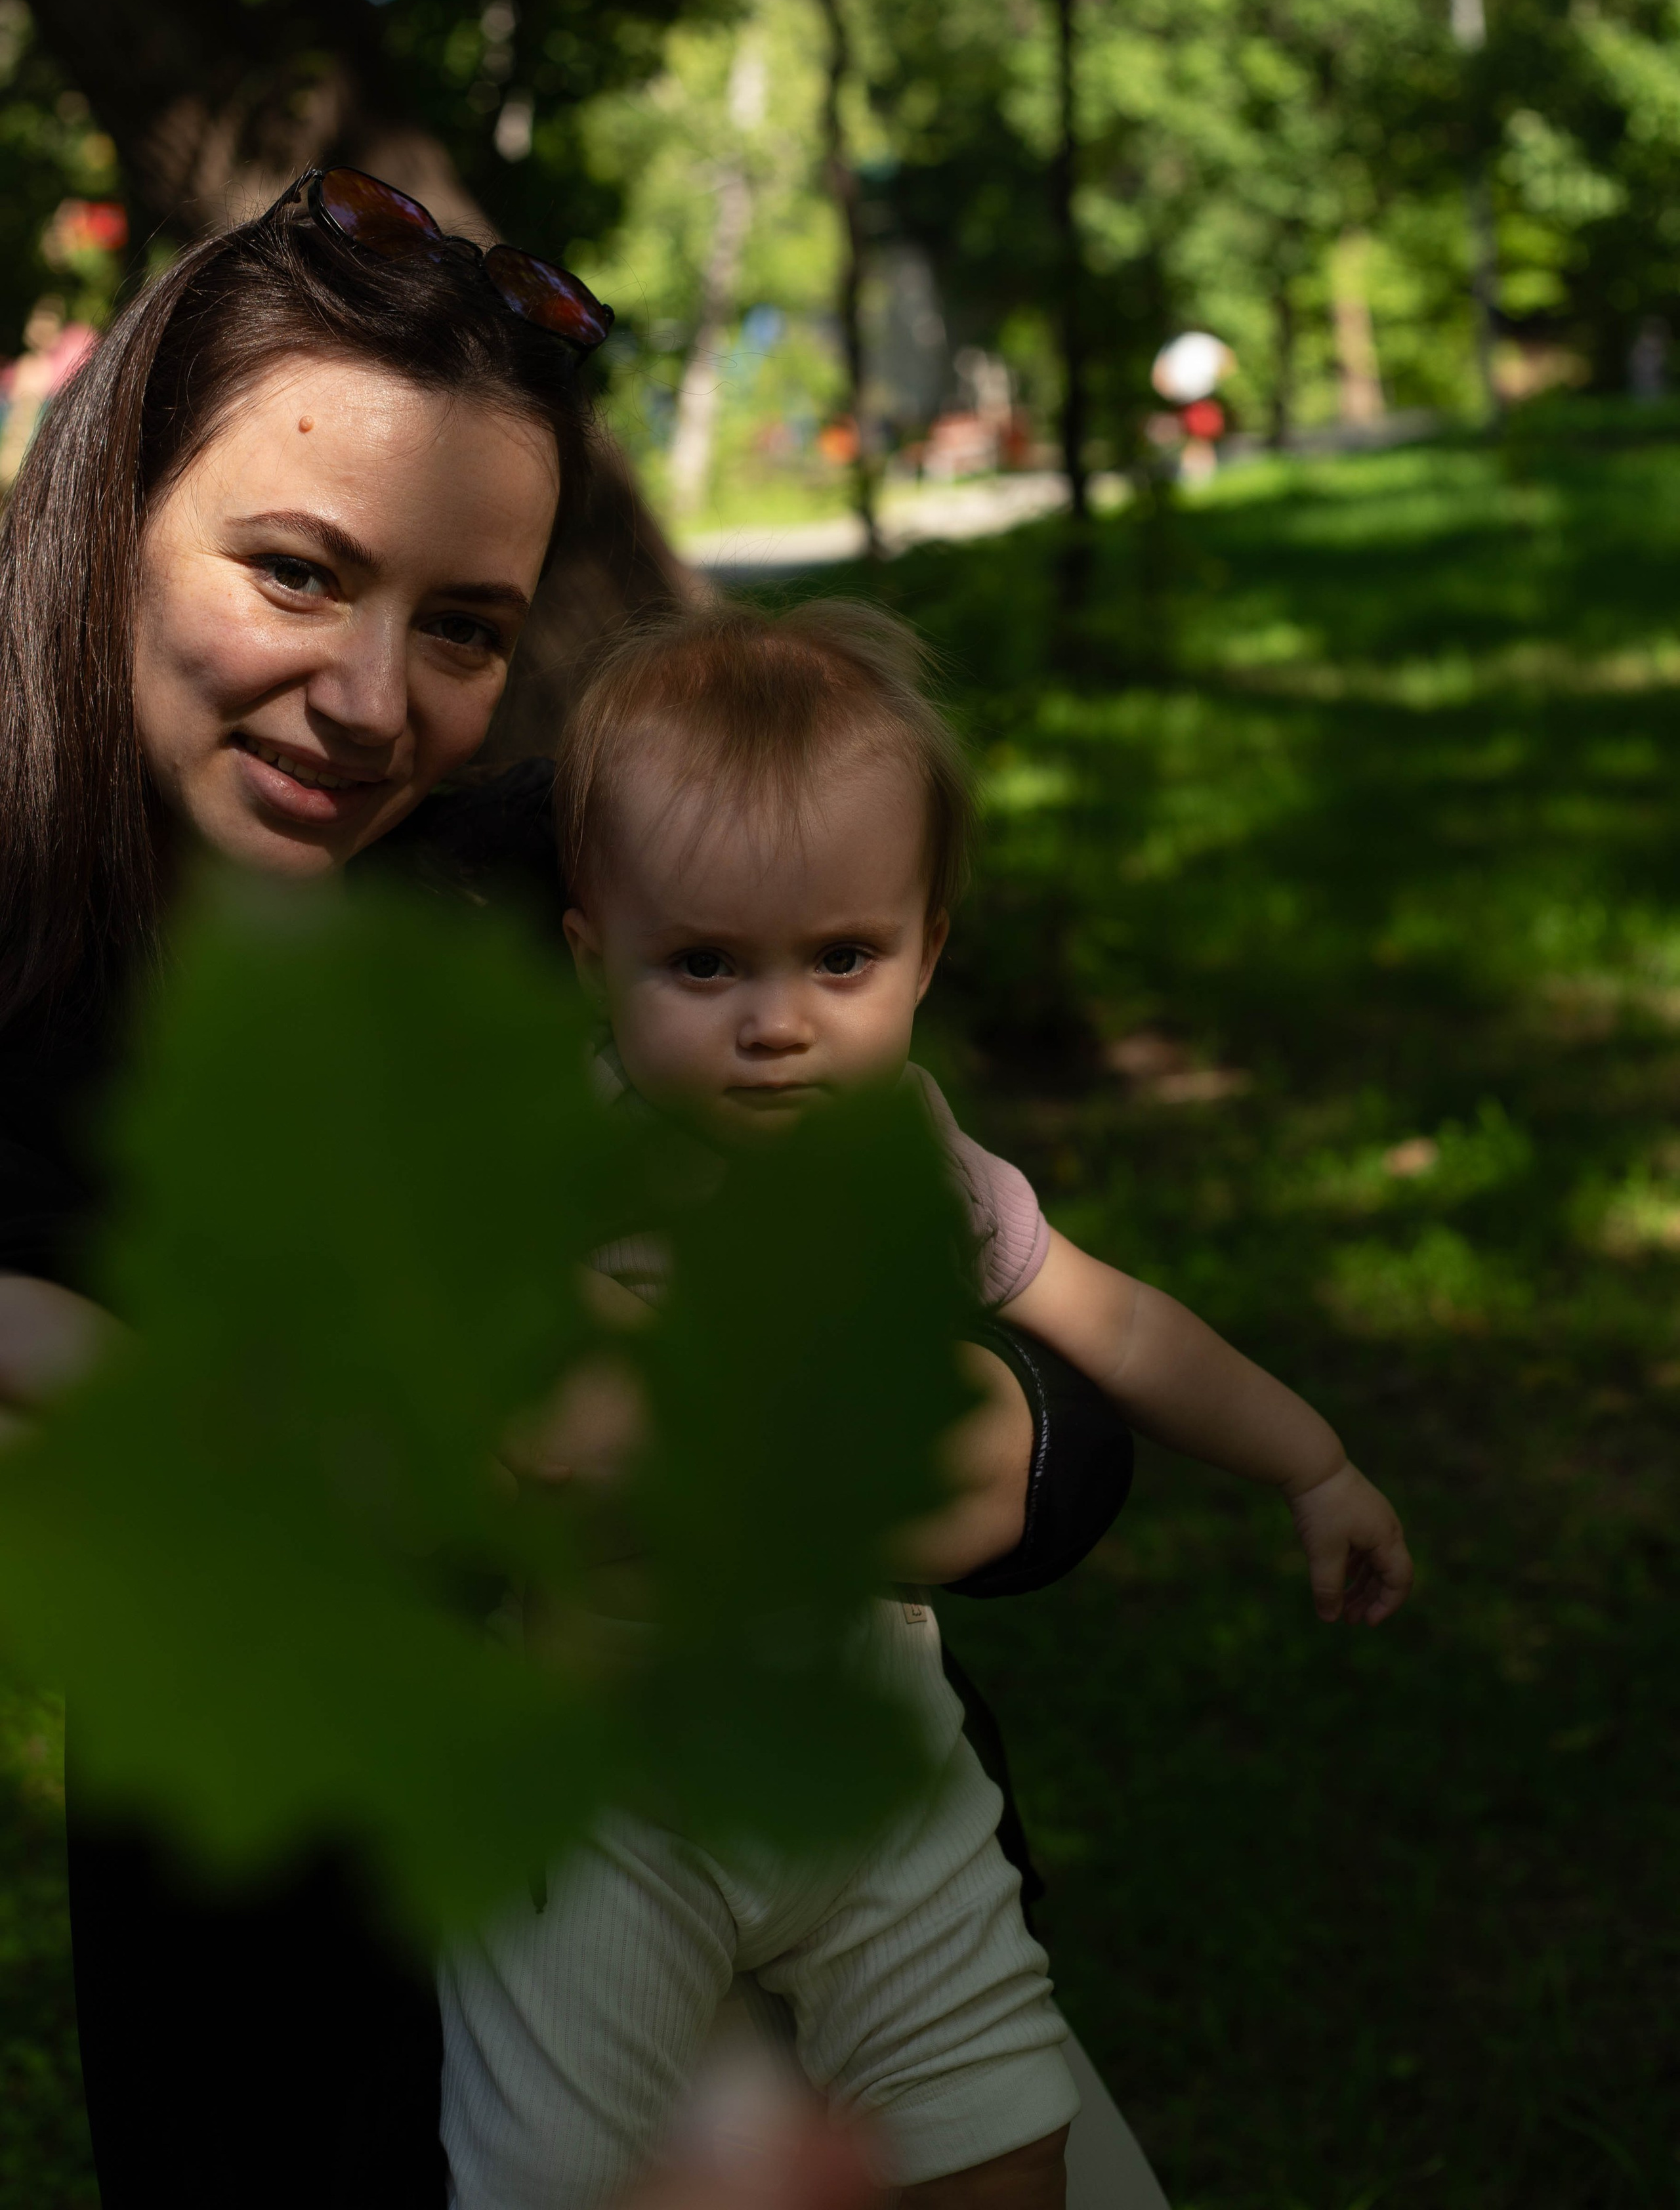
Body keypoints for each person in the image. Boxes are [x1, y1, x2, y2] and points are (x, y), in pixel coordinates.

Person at [0, 169, 1133, 2209]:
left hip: (819, 1960)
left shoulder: (580, 892)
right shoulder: (24, 1022)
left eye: (463, 631)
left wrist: (961, 1452)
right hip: (329, 2020)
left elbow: (1059, 1421)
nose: (371, 702)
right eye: (291, 573)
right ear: (104, 528)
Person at [438, 603, 1414, 2210]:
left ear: (926, 946)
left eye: (841, 958)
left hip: (872, 1758)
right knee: (559, 2174)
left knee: (1000, 2136)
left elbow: (1116, 1325)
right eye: (701, 964)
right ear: (586, 952)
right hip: (600, 1785)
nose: (776, 1024)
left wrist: (1310, 1462)